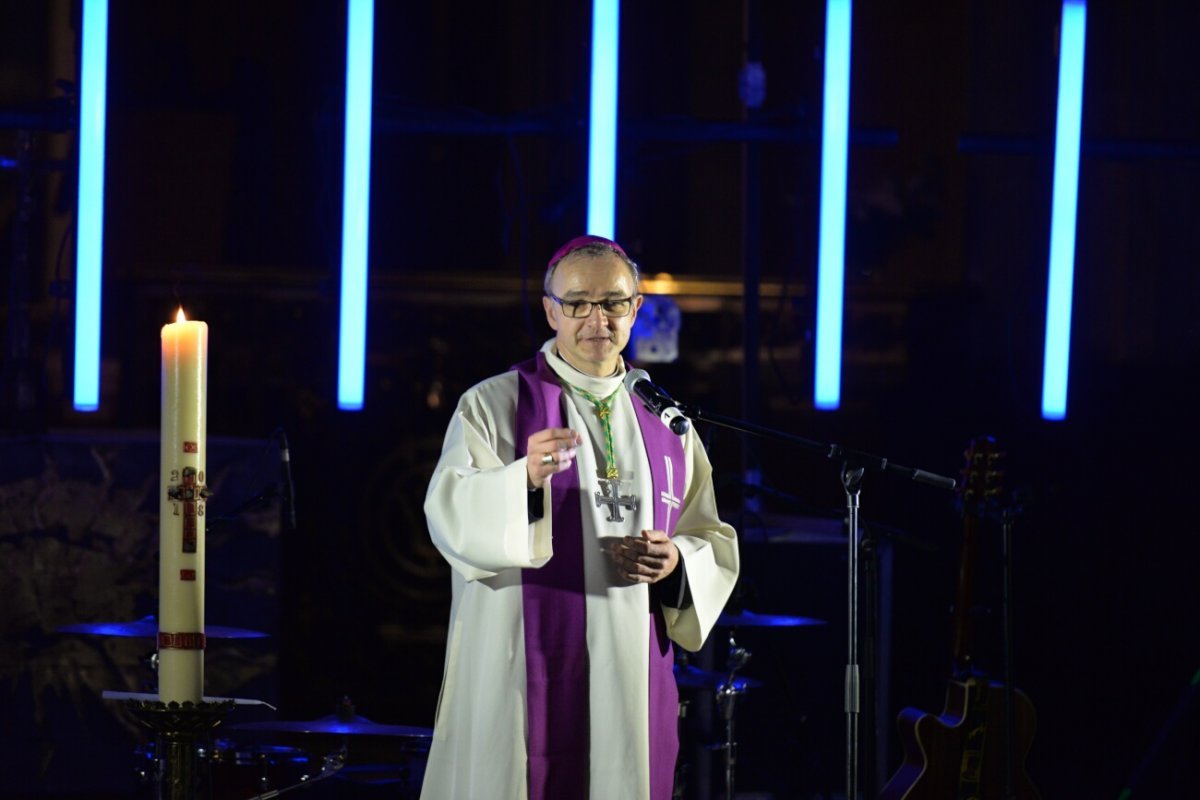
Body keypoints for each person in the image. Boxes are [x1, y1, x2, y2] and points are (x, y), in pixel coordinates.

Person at [421, 235, 739, 800]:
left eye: (614, 302)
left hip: (630, 671)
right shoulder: (494, 403)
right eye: (577, 303)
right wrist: (522, 479)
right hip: (520, 663)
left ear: (636, 308)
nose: (598, 318)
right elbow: (449, 513)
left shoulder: (666, 419)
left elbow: (706, 534)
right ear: (551, 310)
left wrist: (676, 562)